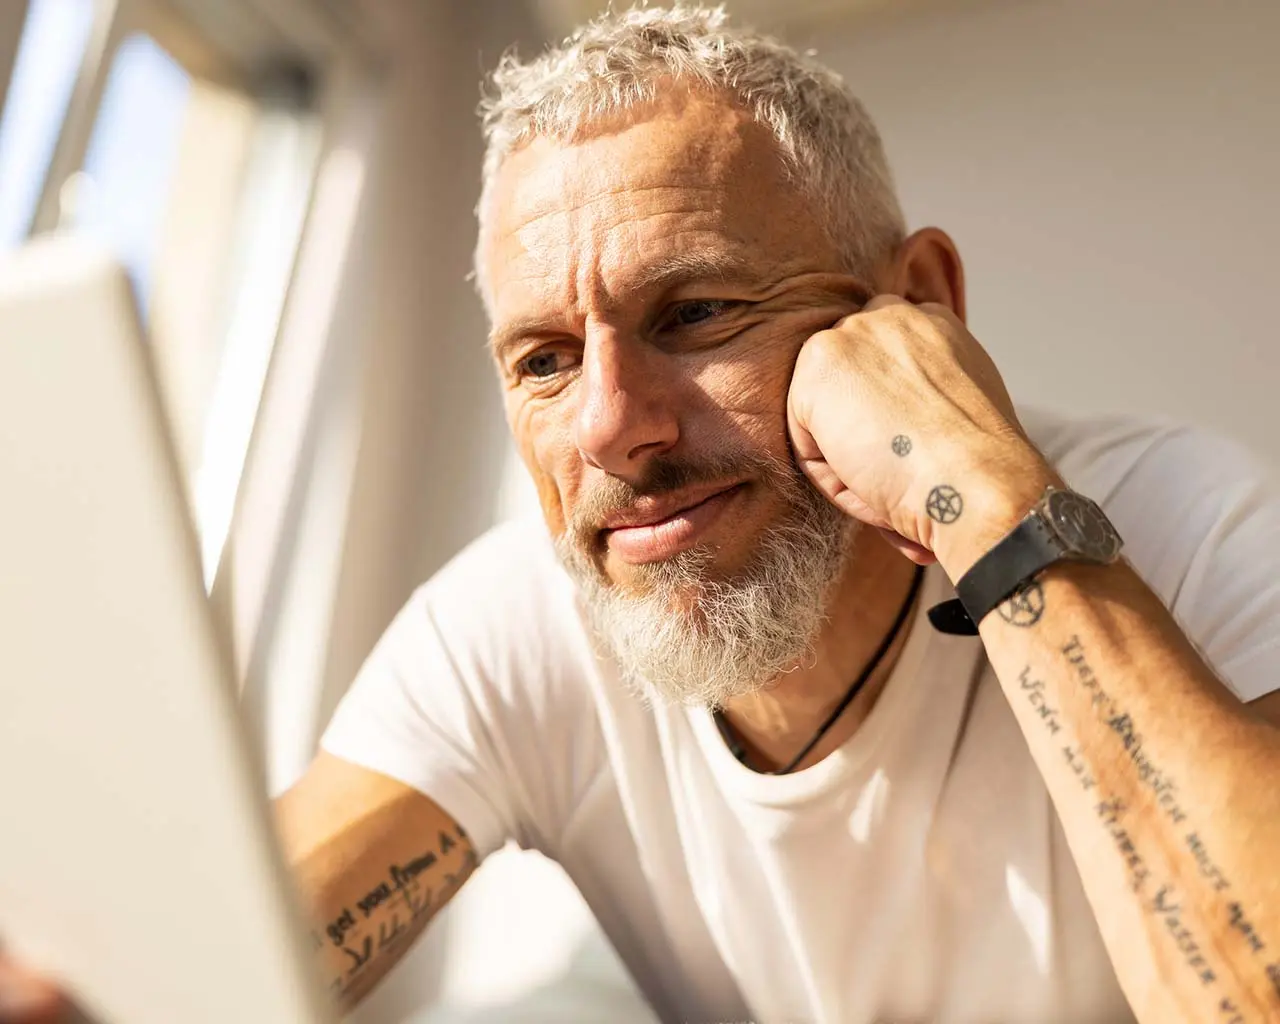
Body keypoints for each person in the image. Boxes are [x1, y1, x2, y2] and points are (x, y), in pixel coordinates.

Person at [6, 5, 1280, 1023]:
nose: (612, 425)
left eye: (698, 314)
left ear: (919, 306)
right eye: (543, 360)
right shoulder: (511, 626)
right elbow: (208, 969)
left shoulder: (1184, 526)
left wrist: (986, 492)